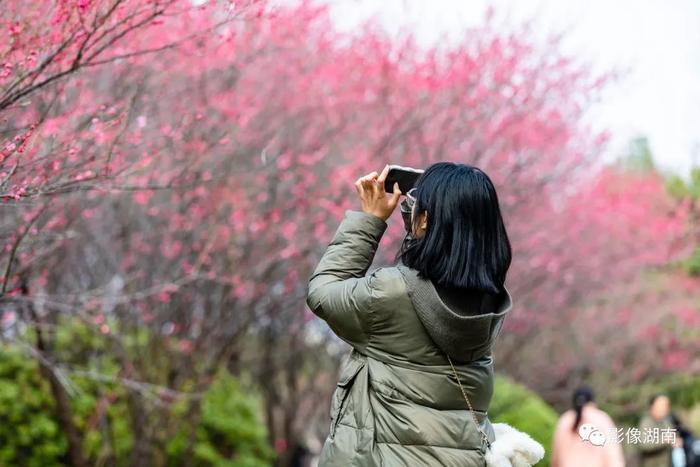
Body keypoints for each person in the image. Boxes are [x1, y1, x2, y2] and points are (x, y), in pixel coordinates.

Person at [306, 162, 514, 466]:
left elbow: (323, 291)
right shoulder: (490, 303)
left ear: (425, 219)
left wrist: (371, 219)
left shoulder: (392, 293)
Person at [551, 385, 626, 467]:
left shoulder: (565, 420)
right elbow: (613, 456)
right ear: (592, 402)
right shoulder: (602, 419)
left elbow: (556, 459)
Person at [638, 394, 678, 467]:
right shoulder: (646, 422)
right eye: (663, 405)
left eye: (667, 405)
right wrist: (664, 440)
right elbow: (644, 445)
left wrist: (676, 441)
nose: (666, 408)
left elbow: (673, 436)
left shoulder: (666, 421)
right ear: (653, 406)